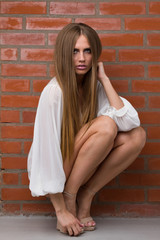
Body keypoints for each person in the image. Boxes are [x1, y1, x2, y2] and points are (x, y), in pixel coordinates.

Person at [27, 23, 146, 236]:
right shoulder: (54, 92)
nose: (81, 58)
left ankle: (85, 196)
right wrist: (61, 210)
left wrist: (104, 79)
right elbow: (45, 155)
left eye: (87, 51)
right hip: (56, 167)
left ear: (95, 55)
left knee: (137, 136)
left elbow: (130, 122)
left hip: (77, 163)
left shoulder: (95, 87)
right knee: (107, 125)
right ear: (65, 54)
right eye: (74, 51)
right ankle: (69, 199)